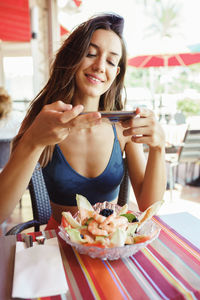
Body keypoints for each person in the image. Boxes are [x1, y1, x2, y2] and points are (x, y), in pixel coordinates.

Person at [0, 13, 166, 229]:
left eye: (110, 60)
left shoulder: (122, 126)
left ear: (116, 73)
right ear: (73, 57)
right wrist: (32, 141)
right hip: (58, 249)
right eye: (90, 54)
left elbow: (148, 206)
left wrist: (159, 148)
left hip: (108, 244)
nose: (99, 66)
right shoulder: (45, 122)